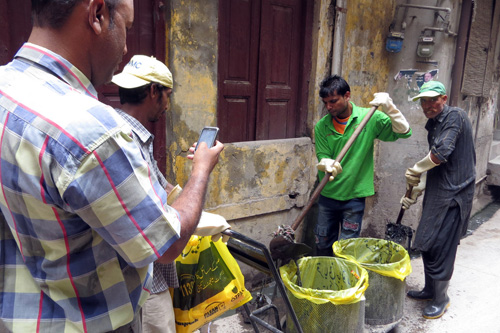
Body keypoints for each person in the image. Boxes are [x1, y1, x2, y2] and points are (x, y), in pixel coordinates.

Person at [0, 1, 223, 332]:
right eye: (127, 28)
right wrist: (202, 170)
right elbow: (168, 242)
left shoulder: (7, 88)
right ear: (98, 14)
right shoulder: (94, 134)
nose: (126, 46)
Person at [111, 55, 230, 333]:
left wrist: (197, 172)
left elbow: (164, 190)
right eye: (168, 95)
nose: (167, 105)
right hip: (143, 280)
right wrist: (201, 172)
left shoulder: (131, 136)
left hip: (147, 277)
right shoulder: (125, 143)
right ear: (153, 91)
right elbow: (167, 245)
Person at [314, 75, 412, 256]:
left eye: (333, 101)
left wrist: (390, 107)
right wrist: (325, 162)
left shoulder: (369, 118)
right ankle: (324, 280)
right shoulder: (322, 126)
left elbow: (404, 132)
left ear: (347, 96)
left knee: (347, 249)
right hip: (327, 194)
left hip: (354, 197)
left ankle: (343, 283)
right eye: (325, 102)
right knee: (322, 244)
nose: (329, 107)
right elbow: (322, 155)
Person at [402, 81, 476, 319]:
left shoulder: (456, 116)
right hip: (438, 189)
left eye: (432, 100)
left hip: (456, 193)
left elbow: (441, 152)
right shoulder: (433, 123)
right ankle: (430, 289)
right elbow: (435, 162)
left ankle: (442, 298)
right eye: (423, 101)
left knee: (443, 245)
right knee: (427, 240)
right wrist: (418, 186)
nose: (427, 105)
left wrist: (415, 169)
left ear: (444, 99)